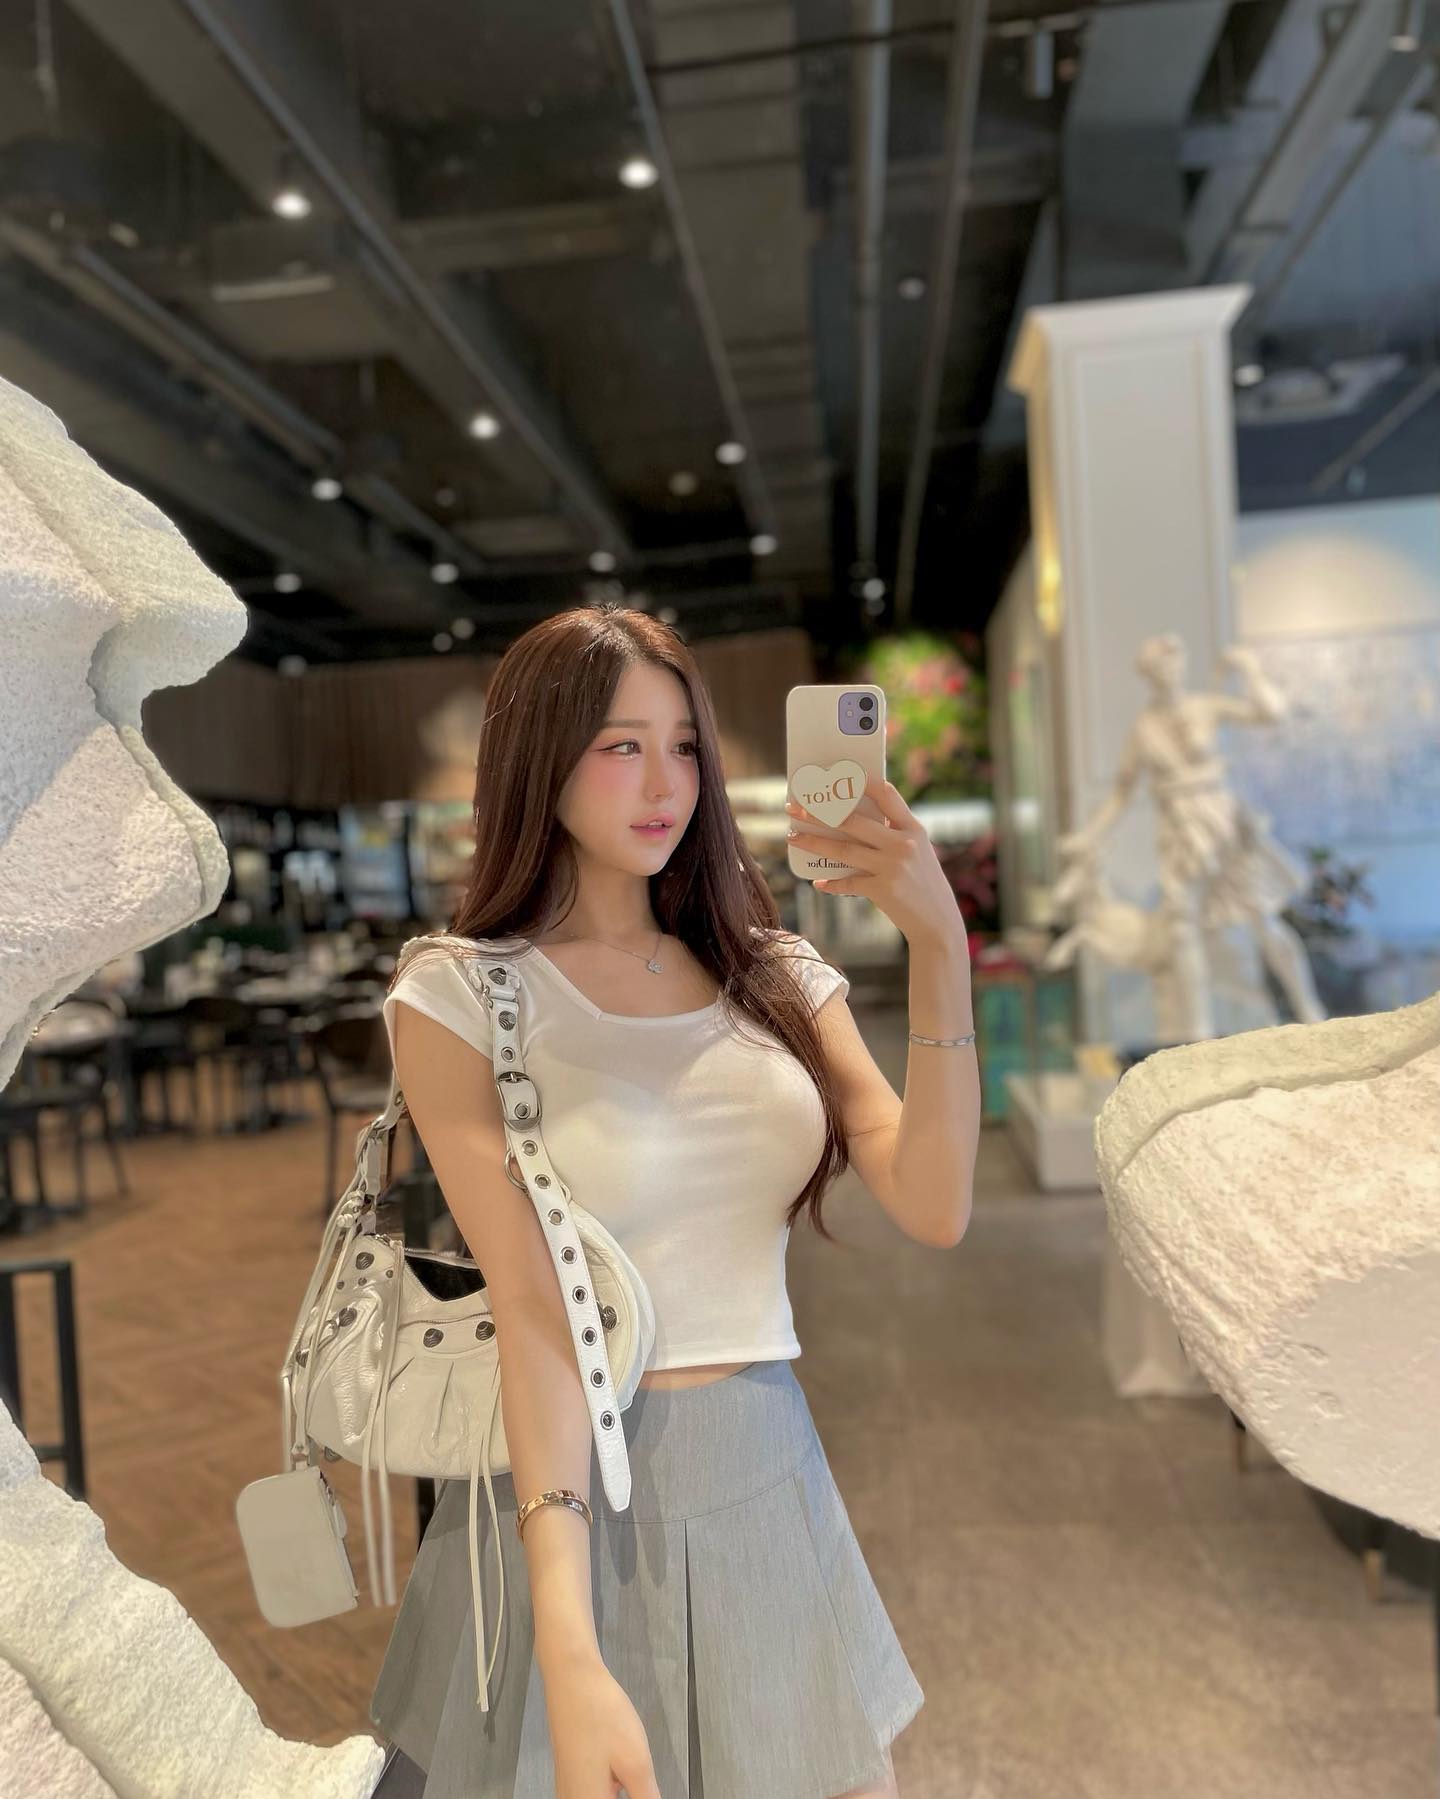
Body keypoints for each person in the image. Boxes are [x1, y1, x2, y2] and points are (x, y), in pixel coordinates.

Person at [367, 603, 980, 1799]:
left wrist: (939, 945)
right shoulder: (461, 995)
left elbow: (935, 1200)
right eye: (622, 745)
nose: (667, 783)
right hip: (571, 1490)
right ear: (540, 760)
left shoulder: (774, 975)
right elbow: (537, 1311)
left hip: (766, 1466)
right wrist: (566, 1641)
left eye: (685, 745)